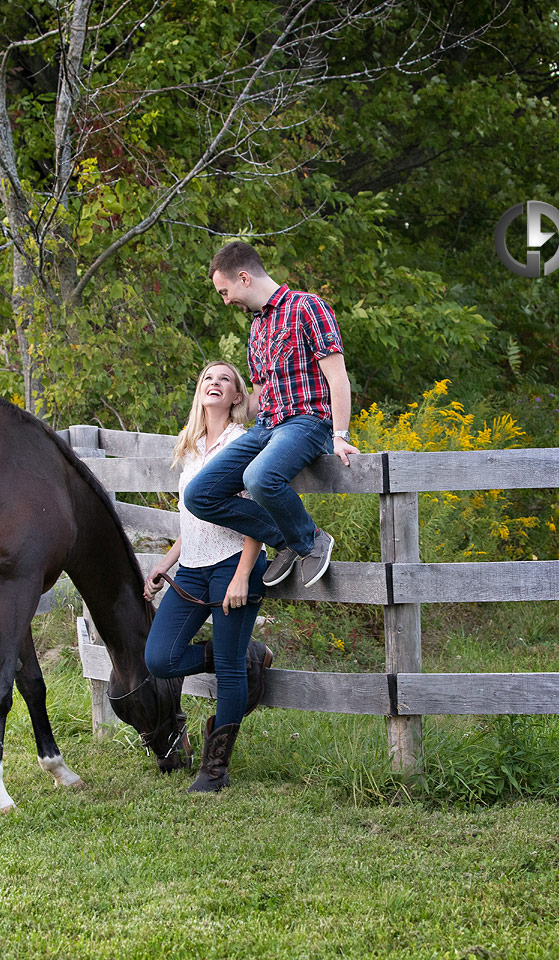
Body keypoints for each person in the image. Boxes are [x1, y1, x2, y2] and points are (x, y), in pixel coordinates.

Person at [184, 241, 359, 589]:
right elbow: (261, 392)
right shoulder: (257, 328)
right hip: (266, 426)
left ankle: (311, 540)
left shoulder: (307, 307)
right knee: (199, 494)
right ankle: (288, 541)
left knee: (260, 477)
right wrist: (218, 410)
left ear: (244, 278)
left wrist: (341, 435)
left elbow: (337, 377)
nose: (225, 300)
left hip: (307, 422)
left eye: (224, 291)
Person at [143, 360, 275, 794]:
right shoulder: (192, 446)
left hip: (235, 561)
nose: (214, 383)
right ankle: (245, 653)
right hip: (194, 568)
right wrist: (167, 560)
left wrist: (241, 575)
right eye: (207, 379)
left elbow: (257, 513)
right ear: (199, 392)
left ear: (238, 397)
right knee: (160, 658)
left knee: (230, 670)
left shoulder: (243, 443)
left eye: (225, 380)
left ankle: (215, 770)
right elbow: (192, 519)